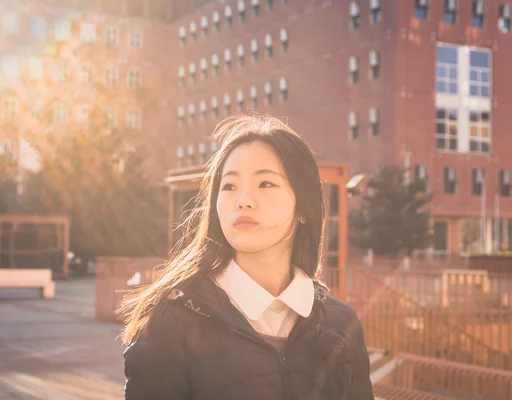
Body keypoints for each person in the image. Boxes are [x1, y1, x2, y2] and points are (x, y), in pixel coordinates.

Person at [121, 115, 374, 399]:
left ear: (304, 206)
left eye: (265, 184)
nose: (243, 199)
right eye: (228, 186)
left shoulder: (342, 324)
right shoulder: (173, 320)